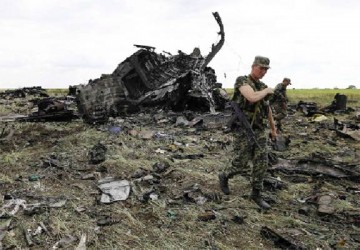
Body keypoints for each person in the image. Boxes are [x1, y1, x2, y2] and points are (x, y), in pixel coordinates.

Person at [219, 56, 277, 209]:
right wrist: (266, 91)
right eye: (261, 68)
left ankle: (256, 194)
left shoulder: (262, 85)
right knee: (241, 163)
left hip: (259, 129)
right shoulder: (242, 81)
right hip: (243, 129)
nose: (263, 72)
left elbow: (267, 109)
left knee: (262, 162)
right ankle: (224, 175)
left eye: (266, 69)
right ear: (253, 66)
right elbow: (251, 97)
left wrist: (273, 128)